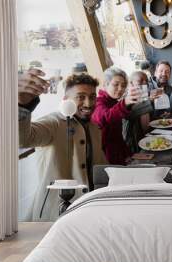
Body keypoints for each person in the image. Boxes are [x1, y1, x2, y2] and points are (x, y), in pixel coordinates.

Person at [18, 70, 108, 221]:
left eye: (92, 97)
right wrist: (22, 105)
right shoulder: (54, 123)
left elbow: (101, 166)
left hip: (89, 209)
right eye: (81, 97)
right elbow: (23, 140)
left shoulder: (94, 127)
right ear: (65, 99)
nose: (88, 103)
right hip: (55, 215)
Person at [91, 67, 140, 165]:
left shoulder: (113, 102)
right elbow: (106, 117)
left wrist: (128, 154)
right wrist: (125, 103)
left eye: (123, 85)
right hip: (105, 157)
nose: (120, 88)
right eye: (116, 84)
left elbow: (118, 137)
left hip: (119, 152)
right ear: (105, 84)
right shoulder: (98, 102)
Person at [123, 71, 153, 153]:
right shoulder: (127, 98)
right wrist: (150, 100)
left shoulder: (145, 95)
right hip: (134, 141)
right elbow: (131, 114)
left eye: (146, 81)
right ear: (131, 83)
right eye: (140, 81)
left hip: (148, 137)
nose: (144, 83)